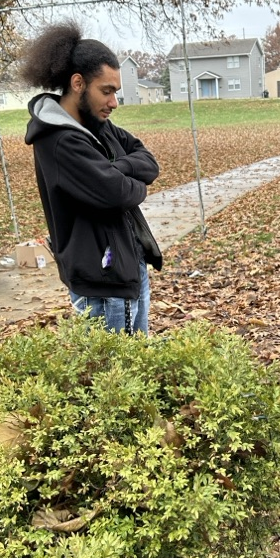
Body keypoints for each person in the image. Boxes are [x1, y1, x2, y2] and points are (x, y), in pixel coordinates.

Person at [21, 21, 162, 334]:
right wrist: (122, 176)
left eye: (116, 93)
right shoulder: (58, 140)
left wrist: (116, 169)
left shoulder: (99, 125)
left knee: (138, 369)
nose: (113, 102)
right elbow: (120, 194)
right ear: (78, 83)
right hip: (103, 282)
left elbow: (149, 163)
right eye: (107, 91)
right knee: (115, 375)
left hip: (128, 264)